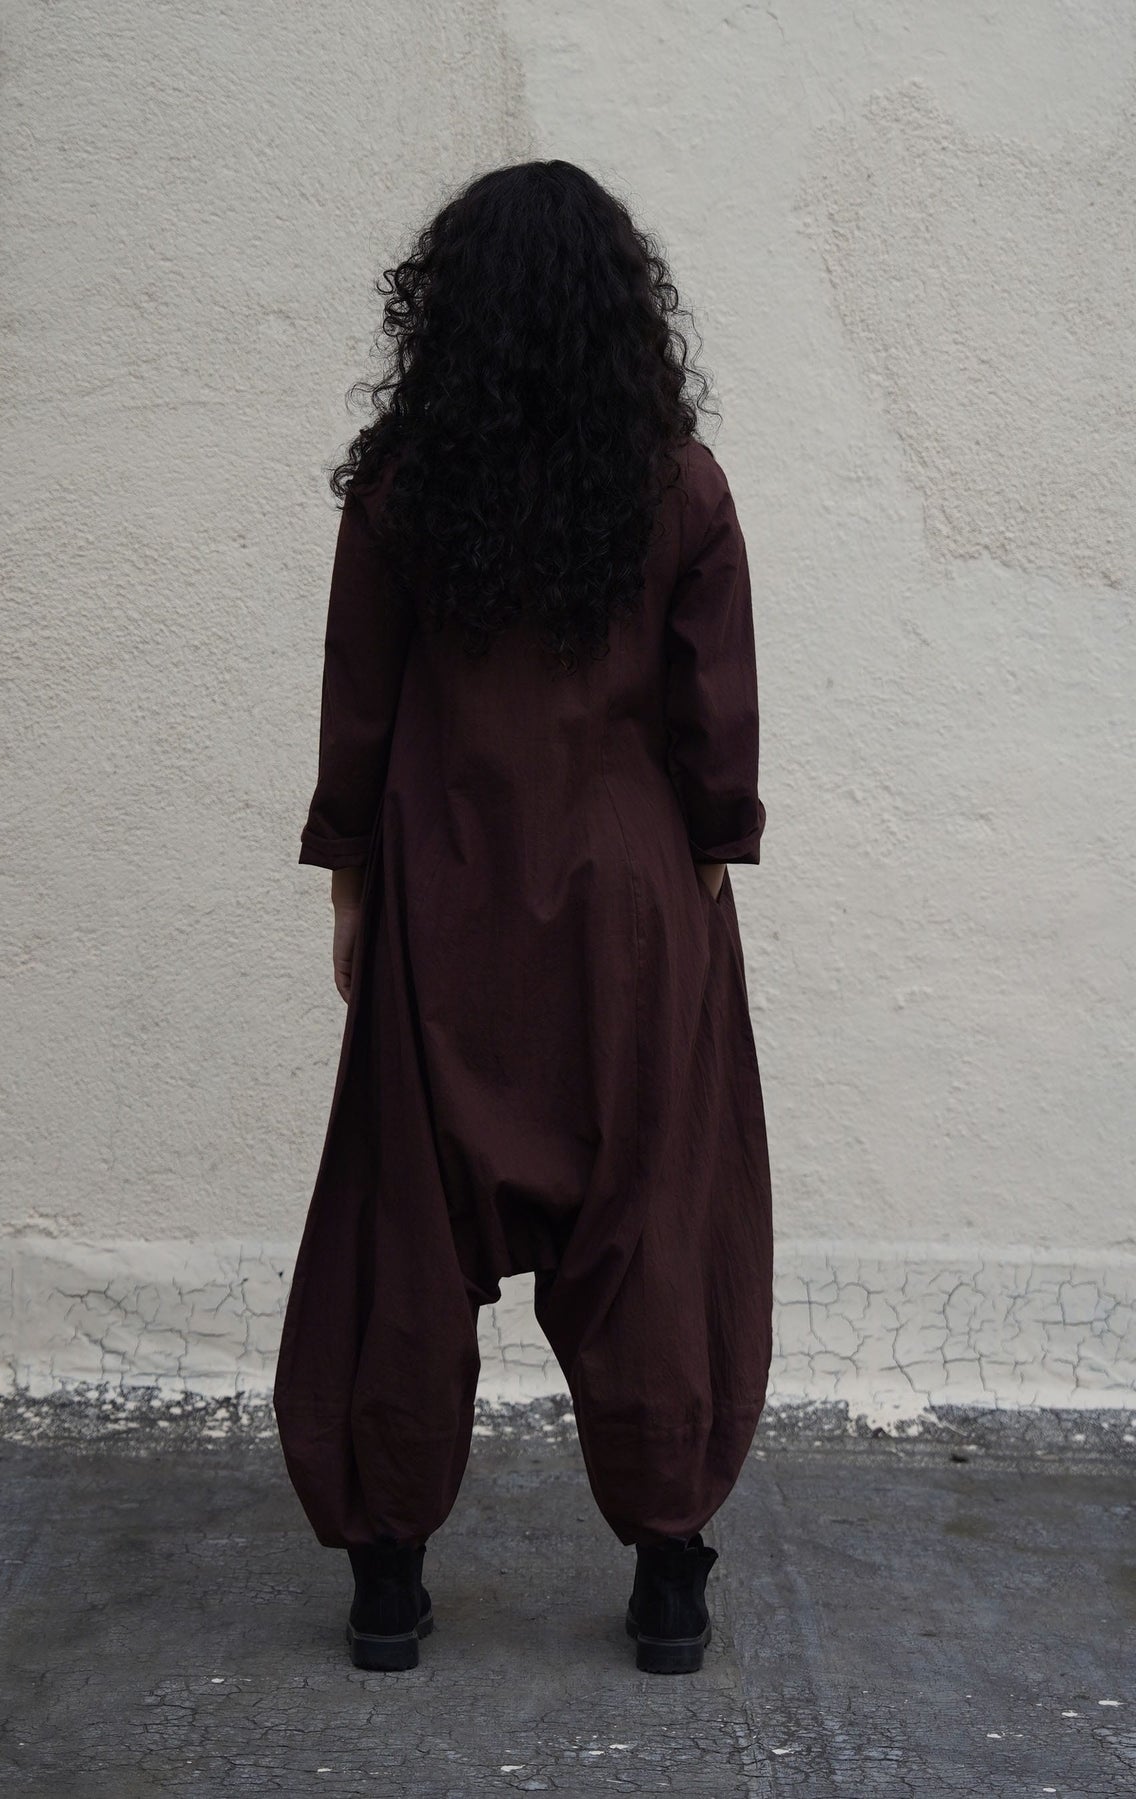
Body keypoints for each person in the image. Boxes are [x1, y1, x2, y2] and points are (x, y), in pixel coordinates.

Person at [273, 159, 773, 1677]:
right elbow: (715, 719)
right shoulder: (680, 487)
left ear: (449, 315)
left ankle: (387, 1585)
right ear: (625, 313)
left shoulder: (403, 493)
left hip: (448, 894)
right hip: (630, 911)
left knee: (405, 1237)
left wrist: (354, 884)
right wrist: (705, 861)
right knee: (651, 1231)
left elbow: (361, 709)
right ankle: (670, 1579)